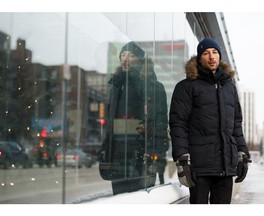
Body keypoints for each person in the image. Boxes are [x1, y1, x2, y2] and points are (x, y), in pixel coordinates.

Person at [169, 38, 251, 204]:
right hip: (200, 167)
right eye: (206, 53)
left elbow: (236, 124)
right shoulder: (186, 87)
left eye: (214, 52)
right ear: (199, 58)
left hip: (225, 166)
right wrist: (182, 159)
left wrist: (242, 154)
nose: (211, 56)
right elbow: (178, 124)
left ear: (219, 56)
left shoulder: (229, 86)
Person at [98, 41, 169, 195]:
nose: (124, 59)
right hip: (117, 155)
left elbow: (161, 123)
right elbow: (111, 123)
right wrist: (105, 148)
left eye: (130, 56)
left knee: (139, 200)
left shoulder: (154, 87)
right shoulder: (116, 86)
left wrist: (155, 152)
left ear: (140, 60)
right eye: (122, 55)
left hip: (141, 154)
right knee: (119, 199)